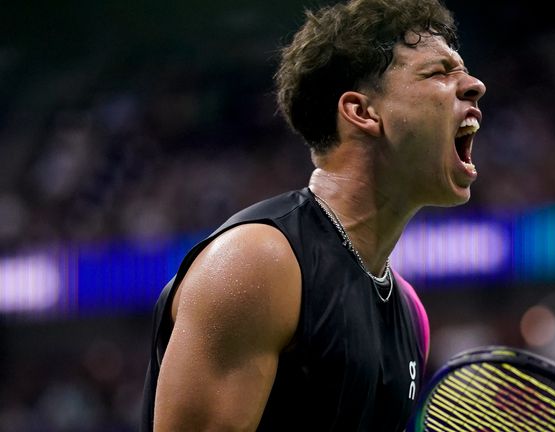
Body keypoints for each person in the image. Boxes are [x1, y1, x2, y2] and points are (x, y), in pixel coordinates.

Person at [141, 0, 486, 430]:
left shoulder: (411, 313)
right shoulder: (259, 263)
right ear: (362, 112)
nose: (475, 85)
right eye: (438, 73)